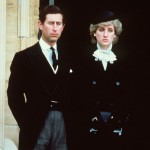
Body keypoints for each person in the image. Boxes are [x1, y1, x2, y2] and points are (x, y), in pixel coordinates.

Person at [7, 5, 73, 150]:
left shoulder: (69, 59)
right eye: (50, 23)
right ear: (40, 25)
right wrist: (25, 122)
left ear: (63, 27)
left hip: (63, 123)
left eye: (58, 24)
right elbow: (14, 95)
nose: (55, 28)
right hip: (35, 123)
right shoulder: (23, 57)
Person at [77, 10, 136, 150]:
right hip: (91, 123)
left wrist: (117, 117)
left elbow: (130, 92)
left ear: (115, 34)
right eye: (101, 29)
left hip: (116, 123)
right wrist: (93, 116)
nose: (105, 34)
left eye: (110, 30)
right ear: (94, 33)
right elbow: (79, 92)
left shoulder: (126, 60)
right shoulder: (82, 59)